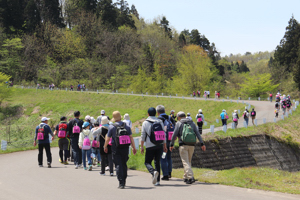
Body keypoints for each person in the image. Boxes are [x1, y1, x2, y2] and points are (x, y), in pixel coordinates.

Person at [169, 111, 206, 184]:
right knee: (188, 161)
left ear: (179, 117)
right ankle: (185, 177)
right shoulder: (192, 123)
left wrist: (171, 144)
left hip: (183, 145)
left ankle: (190, 177)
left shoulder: (179, 123)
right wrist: (202, 143)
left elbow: (174, 135)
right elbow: (198, 133)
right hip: (192, 145)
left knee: (185, 162)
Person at [103, 111, 137, 189]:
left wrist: (105, 146)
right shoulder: (127, 126)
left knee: (118, 164)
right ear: (120, 117)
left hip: (116, 147)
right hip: (125, 147)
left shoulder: (111, 127)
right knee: (124, 163)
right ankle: (124, 179)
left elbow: (108, 138)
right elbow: (131, 137)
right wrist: (133, 147)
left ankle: (121, 182)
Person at [141, 107, 167, 186]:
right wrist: (164, 145)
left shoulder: (145, 122)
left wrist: (142, 146)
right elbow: (163, 134)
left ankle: (153, 172)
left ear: (148, 114)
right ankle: (158, 181)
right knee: (157, 162)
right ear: (156, 113)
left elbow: (143, 135)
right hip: (159, 144)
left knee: (147, 162)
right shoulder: (159, 121)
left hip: (149, 145)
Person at [157, 105, 174, 180]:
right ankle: (169, 172)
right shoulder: (169, 117)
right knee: (169, 157)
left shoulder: (160, 119)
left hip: (164, 142)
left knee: (163, 157)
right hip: (170, 140)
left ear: (158, 112)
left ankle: (165, 175)